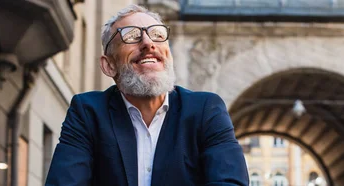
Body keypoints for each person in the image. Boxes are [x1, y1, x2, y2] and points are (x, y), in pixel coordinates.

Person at [45, 4, 249, 186]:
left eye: (158, 35)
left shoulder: (207, 109)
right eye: (132, 36)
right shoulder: (87, 111)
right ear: (109, 65)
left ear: (168, 53)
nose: (148, 43)